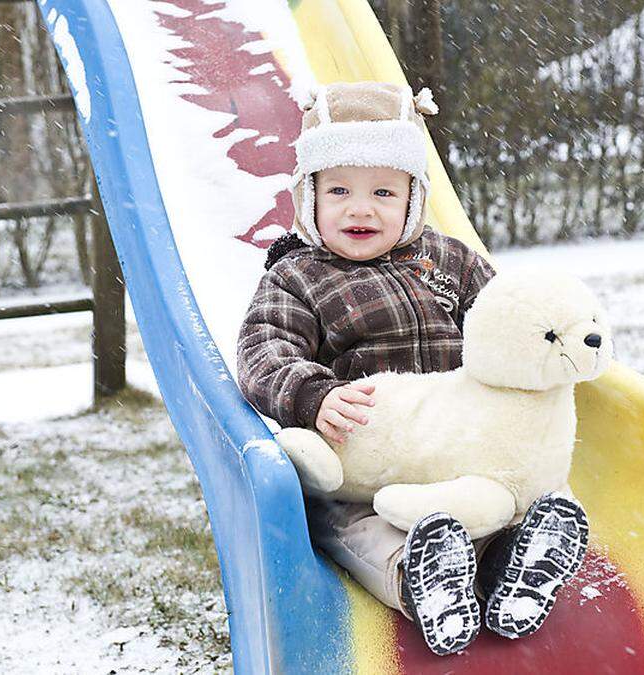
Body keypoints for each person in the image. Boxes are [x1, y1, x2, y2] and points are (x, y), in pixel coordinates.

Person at [236, 81, 589, 656]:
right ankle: (421, 580)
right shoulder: (297, 278)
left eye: (382, 191)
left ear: (413, 198)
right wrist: (314, 397)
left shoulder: (449, 261)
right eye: (340, 191)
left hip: (464, 448)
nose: (360, 207)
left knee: (500, 499)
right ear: (309, 198)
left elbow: (510, 319)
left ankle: (515, 564)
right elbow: (262, 349)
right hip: (369, 457)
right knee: (350, 525)